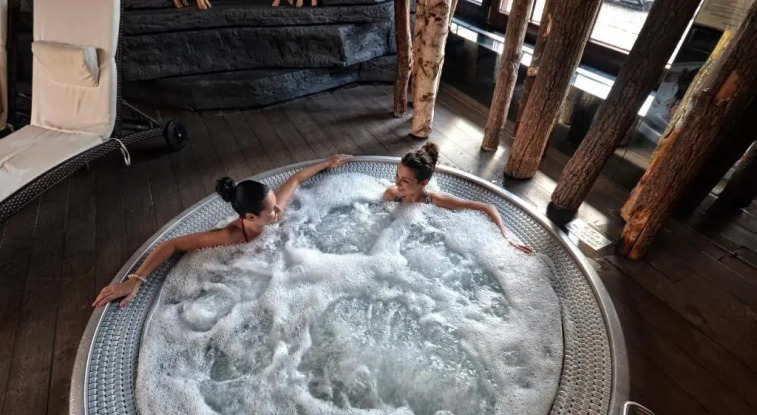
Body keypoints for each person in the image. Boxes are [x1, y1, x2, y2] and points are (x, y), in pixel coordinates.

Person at [92, 154, 353, 308]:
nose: (278, 211)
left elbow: (296, 179)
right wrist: (136, 279)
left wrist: (328, 162)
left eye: (276, 204)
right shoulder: (231, 236)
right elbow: (172, 244)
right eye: (272, 209)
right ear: (250, 217)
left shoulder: (272, 215)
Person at [384, 142, 532, 254]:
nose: (397, 183)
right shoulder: (392, 194)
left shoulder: (435, 200)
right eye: (397, 175)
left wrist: (505, 238)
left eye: (405, 180)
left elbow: (487, 207)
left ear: (423, 183)